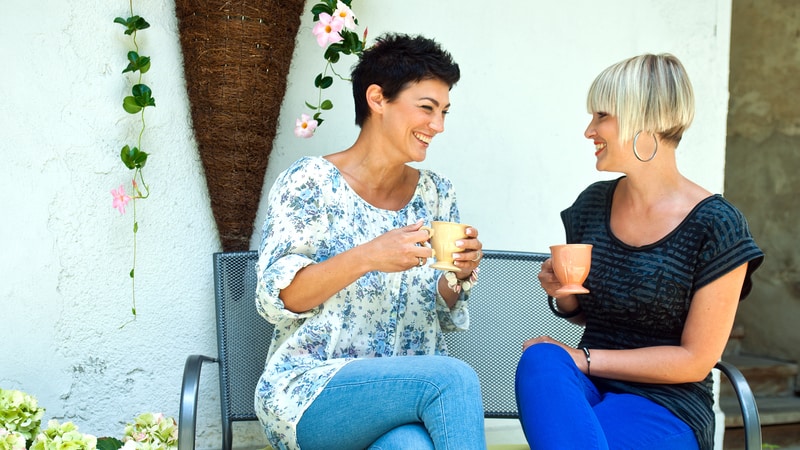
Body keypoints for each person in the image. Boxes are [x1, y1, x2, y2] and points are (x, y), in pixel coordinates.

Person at [515, 53, 764, 450]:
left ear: (642, 118)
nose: (588, 131)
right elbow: (586, 315)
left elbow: (696, 360)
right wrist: (563, 297)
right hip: (584, 391)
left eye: (601, 116)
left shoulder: (717, 225)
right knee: (541, 359)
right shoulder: (592, 205)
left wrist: (587, 359)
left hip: (667, 404)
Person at [254, 33, 487, 450]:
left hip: (404, 400)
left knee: (409, 447)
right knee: (453, 375)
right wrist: (368, 256)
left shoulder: (437, 193)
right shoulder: (312, 182)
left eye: (445, 112)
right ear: (377, 98)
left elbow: (442, 309)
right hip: (311, 392)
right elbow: (278, 299)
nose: (439, 125)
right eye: (427, 108)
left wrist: (457, 275)